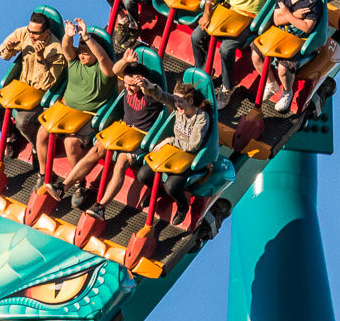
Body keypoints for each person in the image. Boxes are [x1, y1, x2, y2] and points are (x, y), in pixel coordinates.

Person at [49, 49, 165, 214]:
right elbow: (116, 71)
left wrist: (144, 86)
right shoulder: (128, 82)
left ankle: (101, 207)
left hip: (141, 137)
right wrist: (125, 60)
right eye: (125, 84)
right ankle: (63, 186)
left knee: (122, 162)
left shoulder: (150, 91)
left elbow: (152, 90)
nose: (127, 89)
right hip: (122, 129)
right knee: (96, 150)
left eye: (131, 86)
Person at [35, 17, 116, 204]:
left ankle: (79, 184)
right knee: (42, 132)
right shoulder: (75, 61)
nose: (82, 54)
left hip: (88, 116)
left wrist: (86, 37)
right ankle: (43, 174)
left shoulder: (104, 70)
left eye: (86, 51)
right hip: (66, 109)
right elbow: (66, 48)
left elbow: (104, 58)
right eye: (81, 50)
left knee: (71, 143)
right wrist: (69, 36)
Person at [190, 0, 273, 109]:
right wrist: (207, 13)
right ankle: (202, 71)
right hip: (228, 12)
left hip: (248, 18)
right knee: (196, 36)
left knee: (226, 49)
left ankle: (227, 87)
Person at [133, 80, 213, 224]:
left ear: (190, 100)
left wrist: (170, 140)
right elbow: (162, 96)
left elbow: (193, 146)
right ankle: (157, 191)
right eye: (175, 101)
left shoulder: (201, 118)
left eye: (180, 101)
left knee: (171, 186)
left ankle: (183, 206)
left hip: (192, 158)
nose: (176, 105)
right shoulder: (179, 106)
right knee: (143, 175)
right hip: (174, 153)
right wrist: (150, 87)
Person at [0, 11, 67, 153]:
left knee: (23, 121)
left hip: (40, 93)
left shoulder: (57, 51)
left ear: (46, 32)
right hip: (21, 86)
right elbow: (3, 54)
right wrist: (9, 48)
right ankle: (12, 135)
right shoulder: (23, 34)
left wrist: (41, 58)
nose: (31, 35)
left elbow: (46, 84)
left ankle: (38, 148)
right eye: (30, 31)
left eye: (35, 33)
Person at [250, 0, 323, 113]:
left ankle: (287, 92)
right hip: (281, 34)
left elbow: (306, 27)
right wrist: (294, 16)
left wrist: (287, 15)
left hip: (300, 42)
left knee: (283, 67)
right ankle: (271, 84)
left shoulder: (312, 2)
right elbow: (277, 20)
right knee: (256, 55)